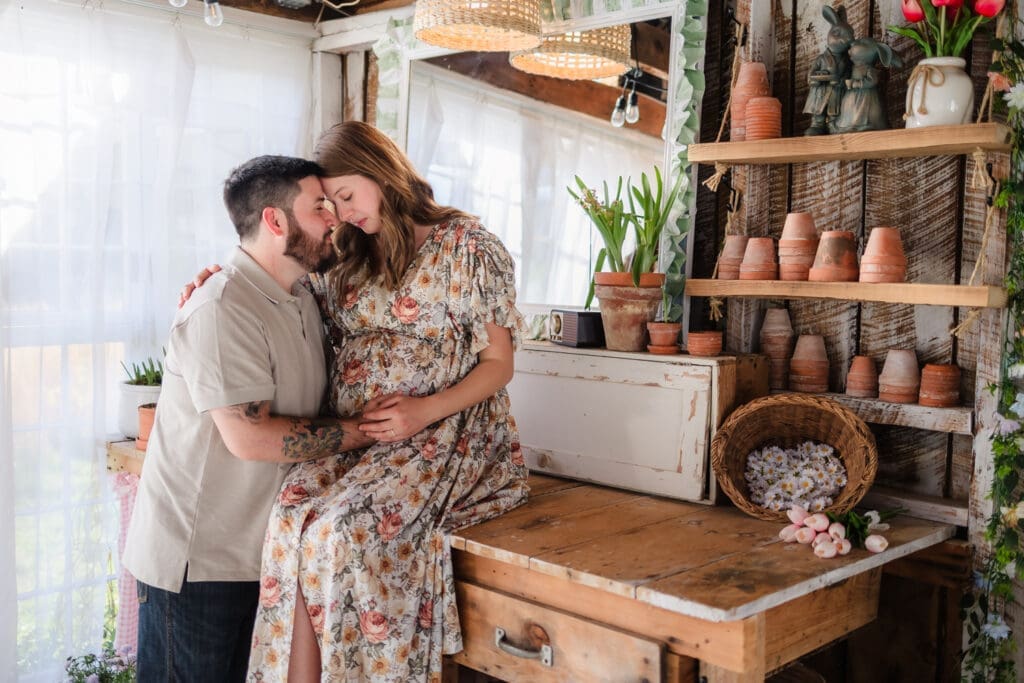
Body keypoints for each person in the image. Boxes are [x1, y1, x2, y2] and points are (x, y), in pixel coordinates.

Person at [243, 122, 530, 682]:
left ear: (381, 170)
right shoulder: (349, 254)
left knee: (344, 529)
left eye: (347, 196)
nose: (342, 214)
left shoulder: (469, 248)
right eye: (330, 204)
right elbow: (275, 277)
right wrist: (215, 277)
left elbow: (500, 365)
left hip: (444, 432)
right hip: (358, 435)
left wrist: (423, 410)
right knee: (291, 516)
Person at [122, 155, 375, 682]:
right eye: (319, 207)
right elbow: (250, 436)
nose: (334, 218)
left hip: (263, 554)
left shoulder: (303, 296)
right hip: (198, 568)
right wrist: (364, 431)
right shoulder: (221, 306)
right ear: (275, 220)